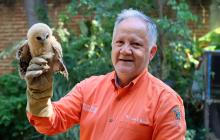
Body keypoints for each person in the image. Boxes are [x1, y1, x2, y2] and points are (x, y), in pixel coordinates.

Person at [23, 9, 186, 140]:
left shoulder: (166, 102)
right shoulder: (88, 88)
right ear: (112, 46)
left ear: (151, 52)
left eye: (135, 44)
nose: (125, 50)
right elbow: (52, 122)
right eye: (120, 42)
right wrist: (39, 97)